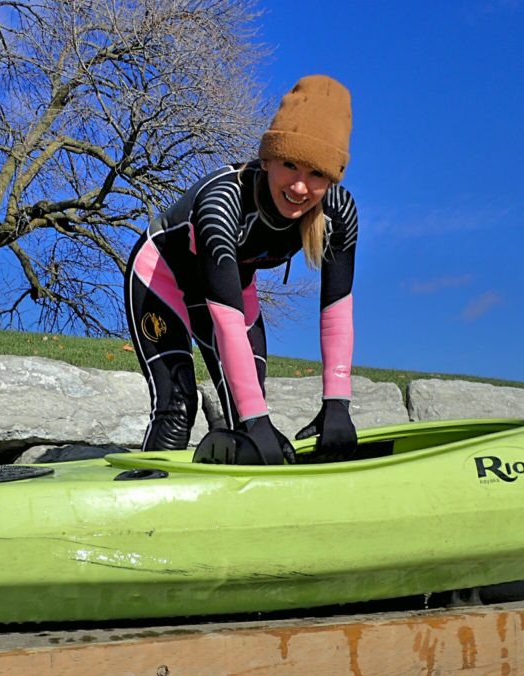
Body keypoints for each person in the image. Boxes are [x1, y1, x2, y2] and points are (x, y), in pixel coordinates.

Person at [124, 74, 359, 464]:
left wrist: (338, 404)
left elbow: (336, 309)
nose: (300, 187)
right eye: (289, 165)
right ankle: (144, 508)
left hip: (234, 290)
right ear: (267, 159)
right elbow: (226, 321)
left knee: (245, 416)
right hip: (162, 282)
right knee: (177, 412)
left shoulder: (339, 212)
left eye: (316, 173)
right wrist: (256, 423)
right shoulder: (223, 203)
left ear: (332, 178)